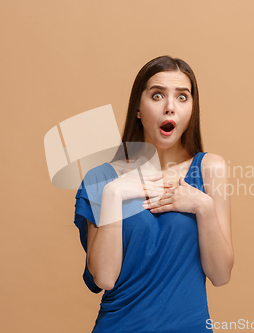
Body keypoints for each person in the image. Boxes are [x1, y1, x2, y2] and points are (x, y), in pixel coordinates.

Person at [74, 55, 233, 332]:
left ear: (192, 109)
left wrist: (203, 207)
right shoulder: (102, 179)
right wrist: (113, 194)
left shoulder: (210, 169)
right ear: (138, 107)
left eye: (182, 97)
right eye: (157, 95)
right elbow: (105, 278)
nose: (170, 108)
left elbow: (220, 276)